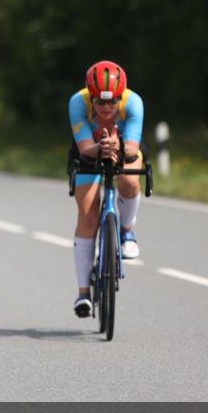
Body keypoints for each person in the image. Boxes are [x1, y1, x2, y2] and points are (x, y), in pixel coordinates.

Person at [68, 60, 145, 318]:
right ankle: (83, 292)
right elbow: (84, 147)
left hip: (124, 148)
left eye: (112, 101)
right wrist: (101, 148)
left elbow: (133, 148)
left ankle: (127, 231)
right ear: (91, 98)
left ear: (121, 97)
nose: (107, 107)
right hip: (90, 149)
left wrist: (118, 146)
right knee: (88, 213)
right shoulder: (77, 103)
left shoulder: (133, 103)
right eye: (100, 102)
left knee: (131, 179)